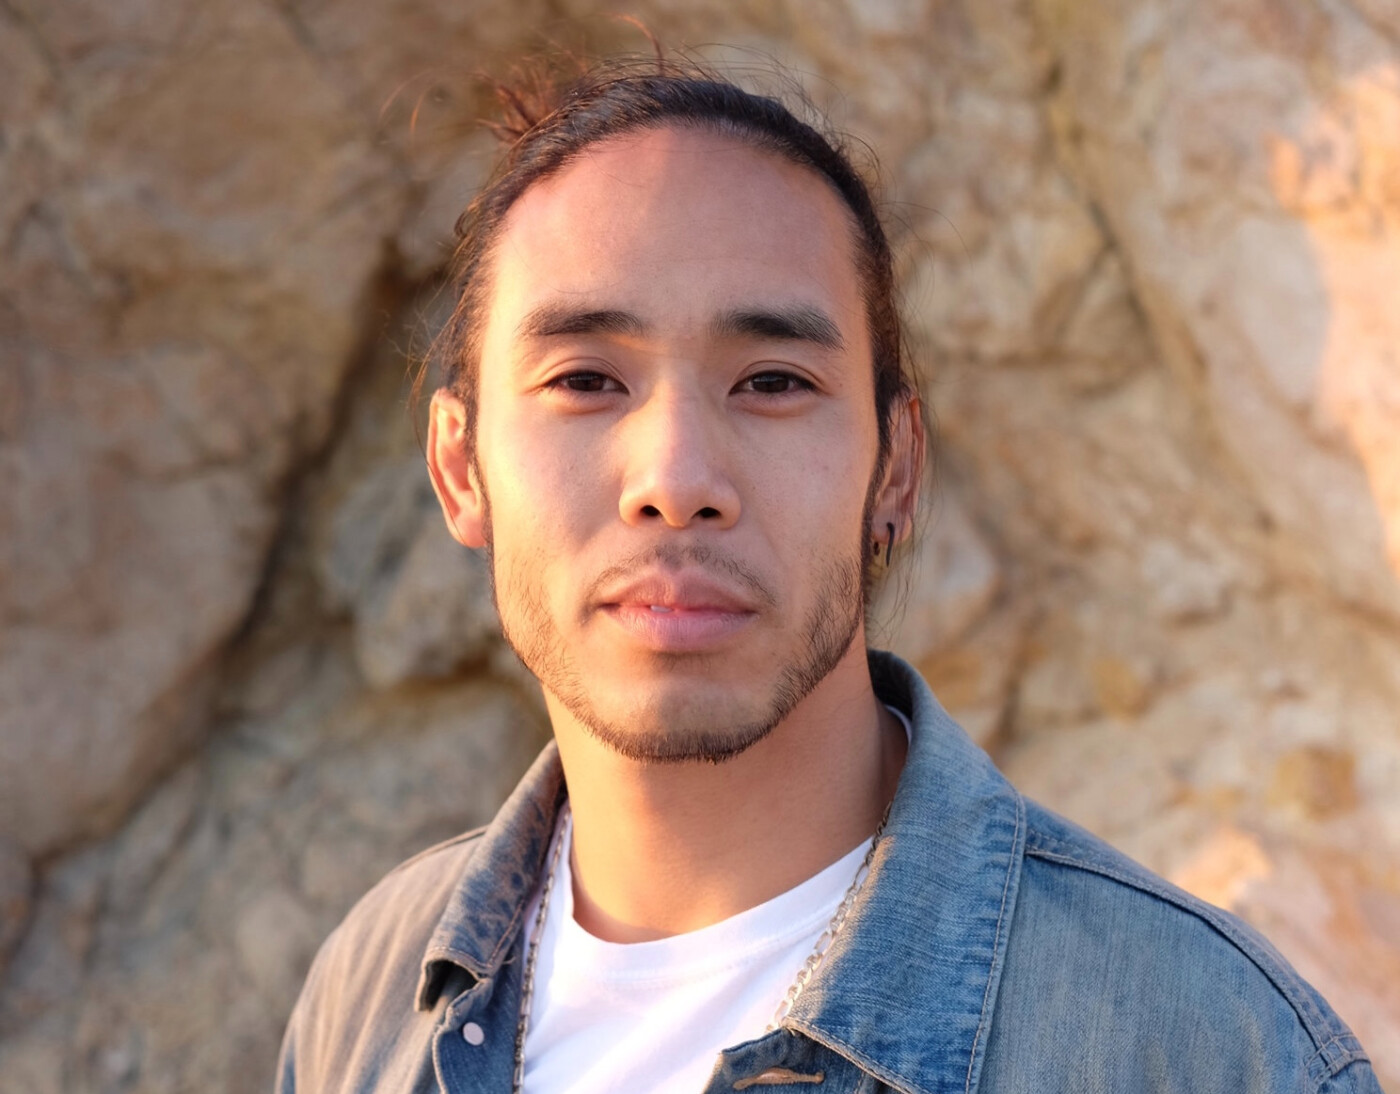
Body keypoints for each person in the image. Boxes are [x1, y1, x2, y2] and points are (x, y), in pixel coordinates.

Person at [275, 55, 1382, 1094]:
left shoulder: (1201, 1045)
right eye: (583, 378)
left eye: (768, 380)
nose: (674, 478)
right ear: (459, 468)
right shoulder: (373, 991)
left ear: (894, 469)